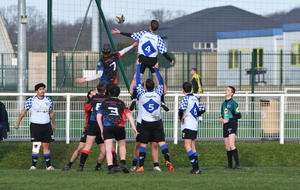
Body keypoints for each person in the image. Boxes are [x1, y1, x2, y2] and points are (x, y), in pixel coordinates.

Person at [111, 20, 174, 111]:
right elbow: (163, 51)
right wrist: (170, 60)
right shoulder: (158, 38)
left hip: (143, 58)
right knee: (159, 79)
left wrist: (120, 32)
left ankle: (134, 97)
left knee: (136, 78)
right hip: (153, 60)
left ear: (150, 27)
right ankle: (163, 100)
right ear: (156, 28)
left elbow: (132, 35)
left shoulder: (143, 34)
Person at [134, 62, 174, 172]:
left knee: (143, 144)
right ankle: (167, 161)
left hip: (146, 122)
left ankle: (141, 166)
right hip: (157, 122)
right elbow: (160, 82)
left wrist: (138, 66)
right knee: (162, 142)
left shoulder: (141, 93)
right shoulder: (158, 93)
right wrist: (156, 69)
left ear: (145, 86)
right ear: (153, 86)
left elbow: (137, 80)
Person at [14, 83, 56, 170]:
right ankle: (33, 166)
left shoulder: (48, 100)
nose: (42, 91)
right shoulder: (31, 100)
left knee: (46, 145)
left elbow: (51, 113)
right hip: (35, 125)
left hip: (46, 125)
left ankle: (48, 166)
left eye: (43, 89)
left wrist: (54, 124)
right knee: (36, 144)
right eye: (40, 89)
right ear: (36, 91)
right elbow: (23, 112)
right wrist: (18, 122)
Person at [97, 84, 137, 174]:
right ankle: (123, 162)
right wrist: (134, 127)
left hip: (108, 126)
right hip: (119, 126)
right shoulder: (121, 103)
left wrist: (101, 129)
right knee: (122, 145)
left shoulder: (104, 103)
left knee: (108, 148)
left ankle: (111, 166)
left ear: (109, 92)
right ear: (118, 93)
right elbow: (129, 115)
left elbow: (98, 116)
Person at [62, 89, 105, 171]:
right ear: (89, 95)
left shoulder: (102, 101)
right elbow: (87, 109)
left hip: (100, 128)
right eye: (93, 92)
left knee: (104, 150)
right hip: (90, 128)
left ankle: (98, 166)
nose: (95, 92)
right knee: (80, 148)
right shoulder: (88, 103)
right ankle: (69, 165)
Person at [129, 80, 161, 172]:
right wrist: (135, 78)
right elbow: (131, 91)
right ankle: (135, 164)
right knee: (139, 144)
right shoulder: (140, 93)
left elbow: (163, 90)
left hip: (153, 122)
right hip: (142, 122)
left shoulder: (155, 94)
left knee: (154, 144)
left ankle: (156, 165)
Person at [77, 83, 109, 172]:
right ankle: (99, 166)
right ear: (105, 91)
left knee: (87, 146)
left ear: (97, 90)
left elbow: (87, 108)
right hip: (102, 123)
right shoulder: (107, 99)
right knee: (106, 147)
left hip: (93, 123)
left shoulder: (93, 98)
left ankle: (81, 166)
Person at [178, 82, 206, 174]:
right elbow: (202, 109)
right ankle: (196, 168)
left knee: (187, 146)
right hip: (194, 124)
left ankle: (195, 168)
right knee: (192, 146)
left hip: (188, 124)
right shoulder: (195, 98)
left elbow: (181, 109)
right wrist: (196, 115)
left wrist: (181, 118)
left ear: (183, 90)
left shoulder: (186, 98)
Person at [219, 86, 242, 169]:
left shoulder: (233, 103)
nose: (226, 91)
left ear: (232, 93)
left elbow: (239, 115)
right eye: (226, 89)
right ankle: (230, 165)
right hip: (225, 125)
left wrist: (228, 119)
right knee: (227, 146)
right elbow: (223, 114)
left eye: (228, 90)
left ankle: (237, 164)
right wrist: (221, 118)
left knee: (232, 145)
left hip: (232, 124)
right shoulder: (223, 103)